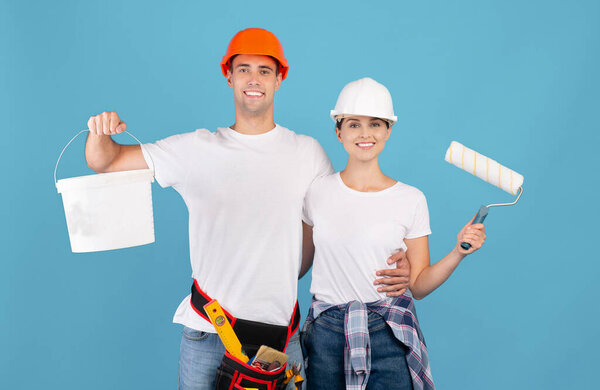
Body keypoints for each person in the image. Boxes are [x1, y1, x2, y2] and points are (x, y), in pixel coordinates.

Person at [84, 29, 411, 390]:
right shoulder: (195, 150)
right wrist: (99, 134)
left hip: (281, 342)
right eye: (244, 69)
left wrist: (398, 257)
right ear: (229, 76)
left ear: (279, 78)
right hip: (209, 335)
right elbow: (106, 160)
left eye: (264, 70)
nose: (254, 79)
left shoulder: (308, 154)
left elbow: (340, 223)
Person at [301, 78, 487, 390]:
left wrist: (458, 251)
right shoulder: (316, 192)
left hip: (388, 332)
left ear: (388, 130)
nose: (364, 134)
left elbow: (419, 285)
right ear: (339, 131)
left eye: (375, 124)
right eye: (354, 124)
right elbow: (298, 264)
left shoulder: (410, 199)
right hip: (326, 334)